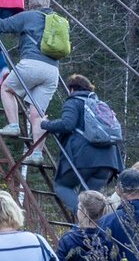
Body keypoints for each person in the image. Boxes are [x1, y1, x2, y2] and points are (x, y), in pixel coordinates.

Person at [0, 0, 58, 166]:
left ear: (31, 3)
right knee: (37, 114)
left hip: (31, 64)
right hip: (52, 71)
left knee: (7, 88)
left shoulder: (29, 16)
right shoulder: (57, 20)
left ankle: (13, 125)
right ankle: (37, 153)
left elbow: (2, 25)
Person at [40, 75, 124, 213]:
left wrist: (45, 124)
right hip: (108, 161)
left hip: (83, 158)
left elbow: (67, 124)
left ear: (71, 89)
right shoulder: (100, 106)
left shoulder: (73, 102)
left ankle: (82, 216)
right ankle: (91, 225)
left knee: (62, 186)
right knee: (89, 200)